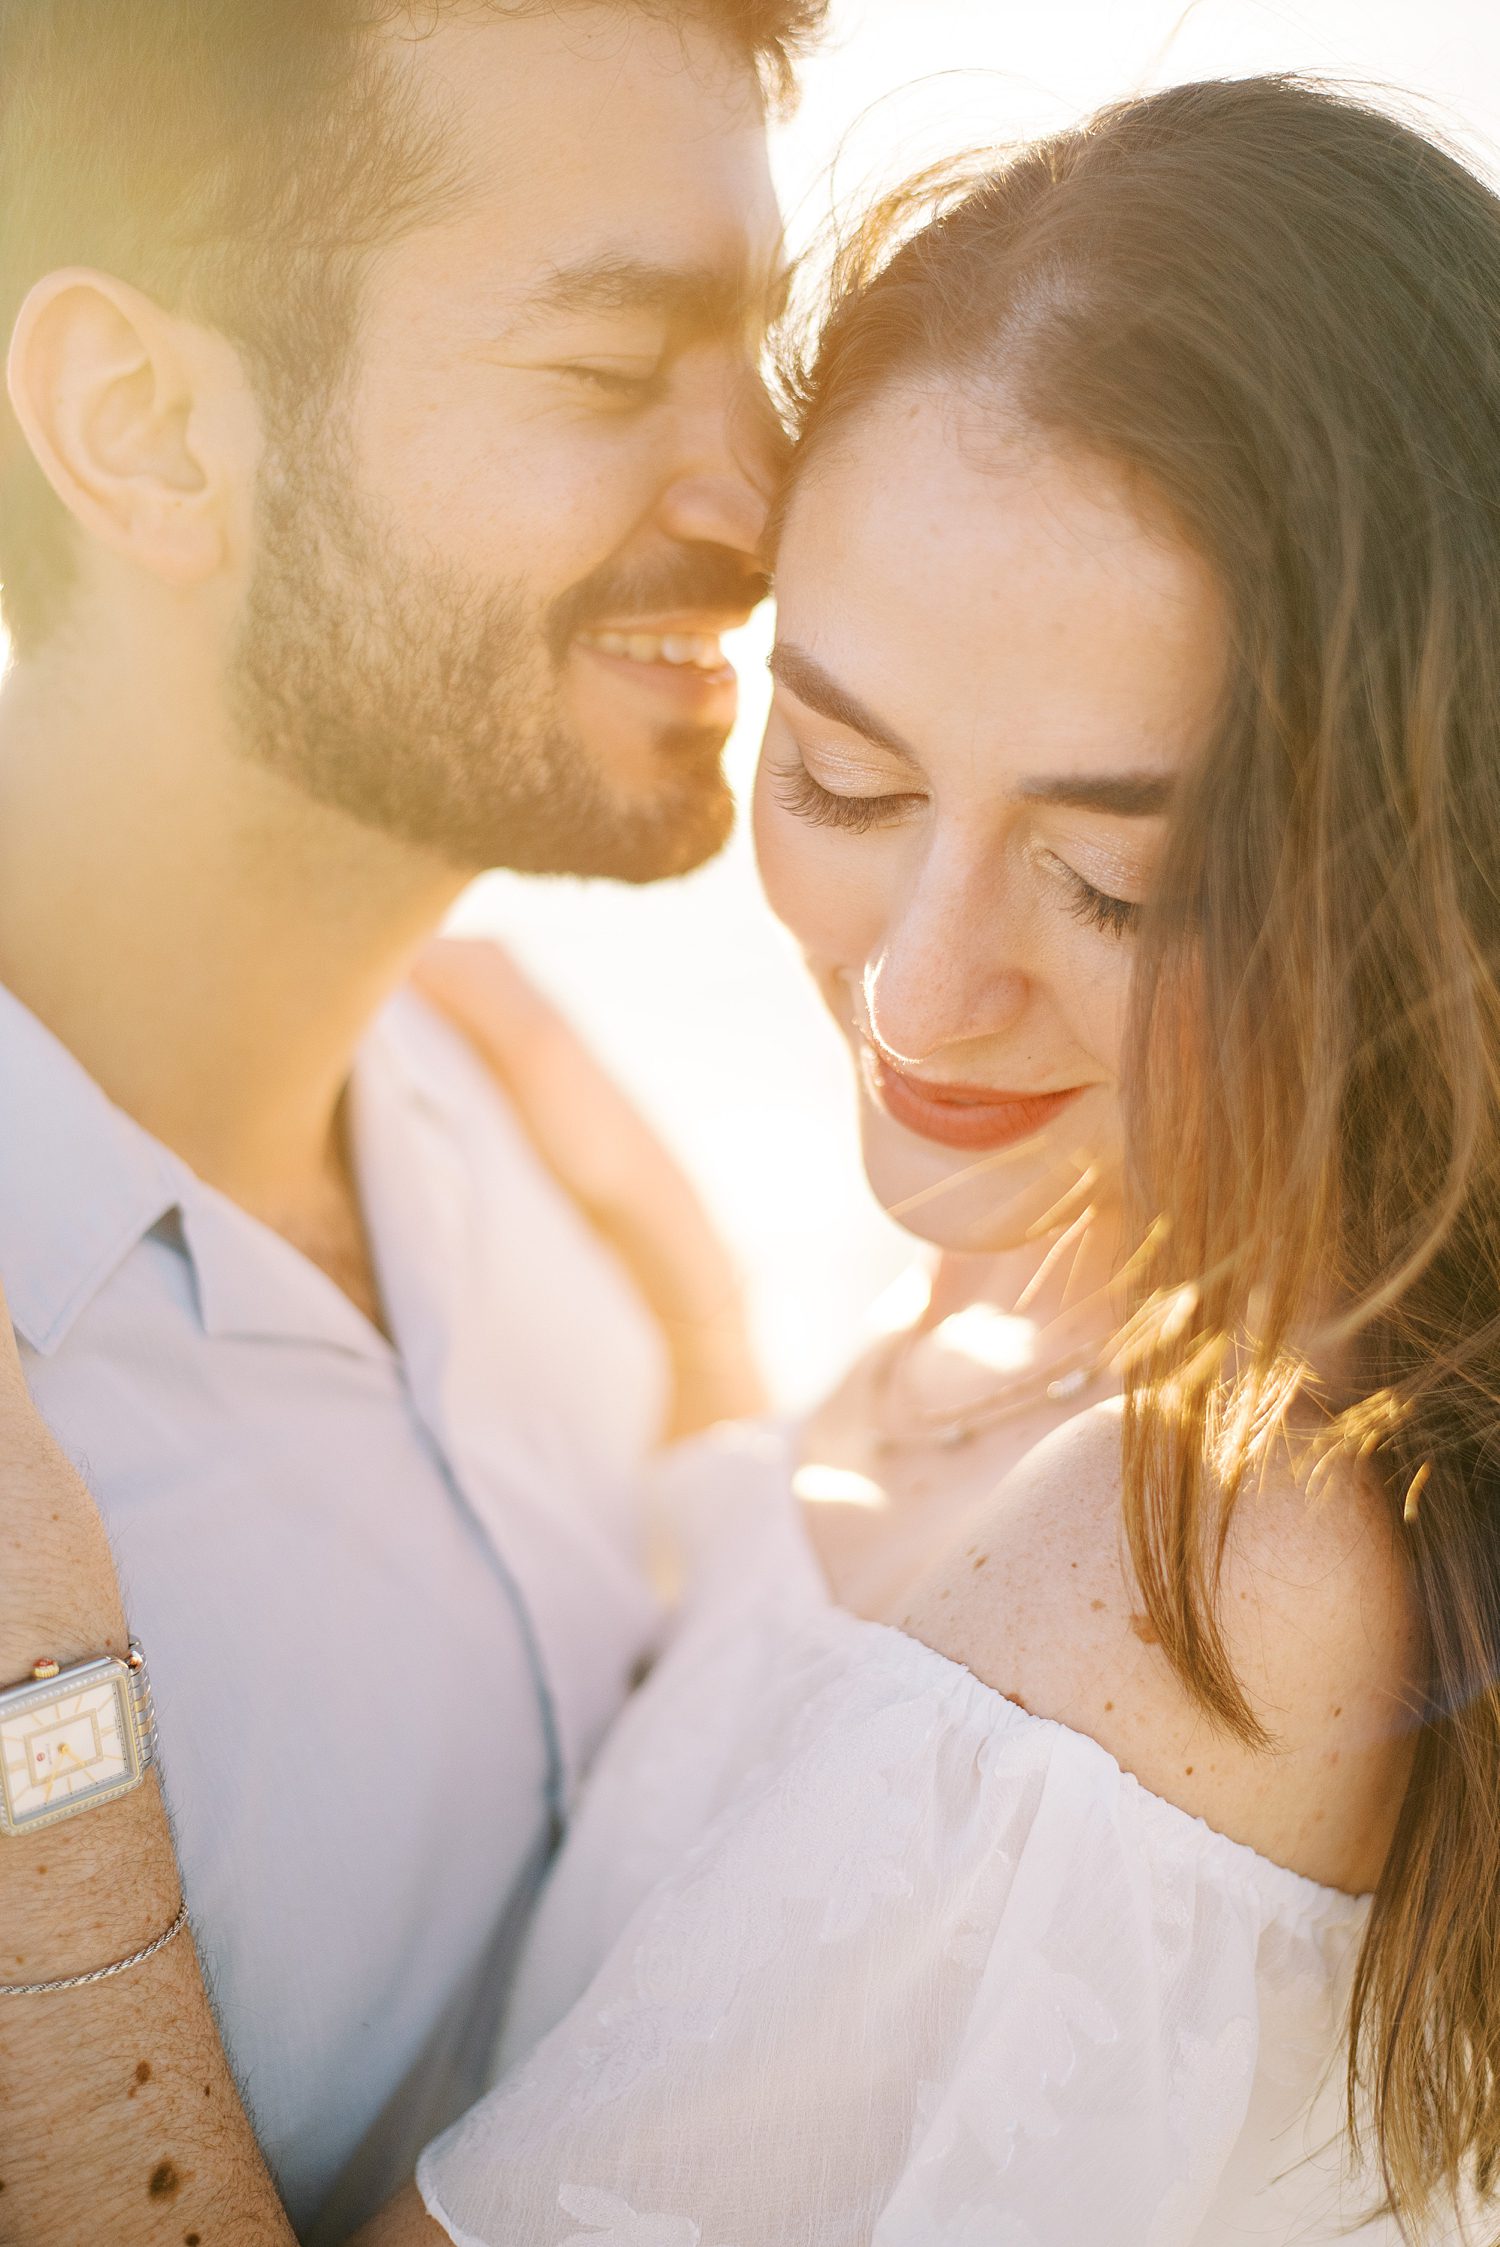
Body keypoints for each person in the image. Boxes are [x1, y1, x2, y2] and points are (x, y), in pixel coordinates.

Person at [5, 66, 1500, 2247]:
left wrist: (42, 1733)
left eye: (1117, 881)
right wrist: (718, 1390)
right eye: (843, 773)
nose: (913, 997)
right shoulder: (815, 1299)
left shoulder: (1221, 1559)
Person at [0, 0, 823, 2236]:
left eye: (760, 362)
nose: (762, 510)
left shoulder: (559, 1172)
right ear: (148, 428)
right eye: (601, 368)